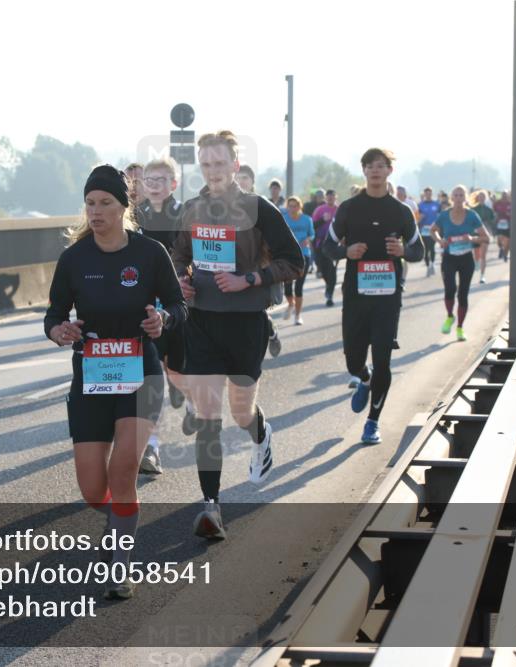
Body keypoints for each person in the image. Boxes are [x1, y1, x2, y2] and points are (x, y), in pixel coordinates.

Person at [45, 165, 186, 599]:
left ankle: (120, 568)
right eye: (90, 203)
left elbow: (178, 305)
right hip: (90, 376)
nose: (96, 211)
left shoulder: (147, 253)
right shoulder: (74, 258)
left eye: (105, 203)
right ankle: (117, 516)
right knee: (93, 488)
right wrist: (59, 331)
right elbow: (53, 315)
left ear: (124, 208)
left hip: (139, 371)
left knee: (122, 468)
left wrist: (162, 318)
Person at [172, 131, 304, 539]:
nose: (212, 171)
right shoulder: (192, 209)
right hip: (203, 321)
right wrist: (181, 279)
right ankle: (211, 505)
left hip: (246, 322)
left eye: (219, 163)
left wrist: (250, 278)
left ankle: (260, 435)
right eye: (206, 164)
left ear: (235, 165)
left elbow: (294, 262)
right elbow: (178, 254)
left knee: (242, 411)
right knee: (209, 411)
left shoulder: (257, 208)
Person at [327, 148, 423, 445]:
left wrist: (403, 251)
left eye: (381, 166)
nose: (376, 171)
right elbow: (326, 247)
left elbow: (420, 251)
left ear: (389, 171)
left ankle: (372, 422)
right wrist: (346, 252)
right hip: (356, 295)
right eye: (370, 166)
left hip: (387, 297)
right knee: (353, 361)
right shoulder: (349, 208)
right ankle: (363, 380)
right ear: (364, 171)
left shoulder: (401, 211)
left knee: (383, 359)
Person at [135, 157, 186, 475]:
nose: (154, 185)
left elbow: (194, 255)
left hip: (177, 304)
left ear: (173, 184)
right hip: (144, 307)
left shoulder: (184, 215)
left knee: (176, 370)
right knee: (150, 377)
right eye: (149, 179)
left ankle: (189, 396)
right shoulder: (133, 216)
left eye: (161, 179)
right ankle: (151, 447)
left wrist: (183, 276)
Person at [431, 185, 490, 342]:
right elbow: (433, 230)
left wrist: (472, 239)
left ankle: (460, 328)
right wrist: (440, 240)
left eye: (461, 195)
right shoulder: (444, 215)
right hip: (449, 258)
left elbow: (486, 238)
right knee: (450, 289)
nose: (458, 198)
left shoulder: (472, 216)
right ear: (452, 198)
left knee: (463, 294)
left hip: (466, 259)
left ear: (466, 198)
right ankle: (450, 316)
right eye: (455, 195)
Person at [236, 165, 282, 358]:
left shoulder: (262, 206)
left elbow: (279, 242)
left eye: (245, 177)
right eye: (238, 177)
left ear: (253, 182)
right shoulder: (221, 206)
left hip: (258, 266)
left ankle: (269, 331)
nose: (241, 181)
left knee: (255, 309)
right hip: (231, 265)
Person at [281, 196, 315, 325]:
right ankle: (291, 303)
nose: (293, 208)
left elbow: (312, 234)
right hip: (288, 255)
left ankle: (298, 316)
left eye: (295, 205)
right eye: (290, 206)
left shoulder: (307, 219)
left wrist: (308, 239)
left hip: (304, 254)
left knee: (299, 287)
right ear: (287, 207)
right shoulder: (284, 219)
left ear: (299, 206)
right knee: (287, 287)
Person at [312, 189, 340, 306]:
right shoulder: (319, 210)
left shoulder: (340, 210)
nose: (330, 199)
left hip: (335, 244)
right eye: (328, 197)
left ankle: (329, 294)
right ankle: (329, 285)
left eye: (332, 196)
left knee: (332, 270)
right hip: (320, 243)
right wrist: (323, 220)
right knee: (322, 269)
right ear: (325, 198)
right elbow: (312, 226)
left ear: (335, 197)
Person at [470, 190, 496, 283]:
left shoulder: (488, 210)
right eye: (480, 197)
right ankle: (476, 262)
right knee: (476, 254)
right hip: (475, 234)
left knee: (483, 256)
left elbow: (492, 222)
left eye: (483, 197)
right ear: (477, 198)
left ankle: (482, 276)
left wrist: (492, 233)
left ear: (485, 198)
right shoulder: (473, 210)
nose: (481, 198)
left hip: (485, 235)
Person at [417, 187, 441, 276]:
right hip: (424, 230)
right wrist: (420, 218)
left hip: (434, 230)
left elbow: (440, 216)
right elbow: (417, 219)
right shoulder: (420, 205)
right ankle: (428, 266)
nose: (428, 195)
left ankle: (433, 264)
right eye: (426, 193)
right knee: (426, 249)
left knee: (432, 248)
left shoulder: (436, 204)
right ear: (424, 194)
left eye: (429, 193)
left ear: (431, 194)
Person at [493, 190, 512, 261]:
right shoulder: (497, 203)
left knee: (507, 240)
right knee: (499, 239)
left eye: (505, 195)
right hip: (499, 223)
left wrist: (509, 214)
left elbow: (513, 212)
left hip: (508, 223)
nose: (504, 197)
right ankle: (501, 248)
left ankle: (505, 255)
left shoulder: (510, 203)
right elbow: (494, 210)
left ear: (507, 196)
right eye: (503, 195)